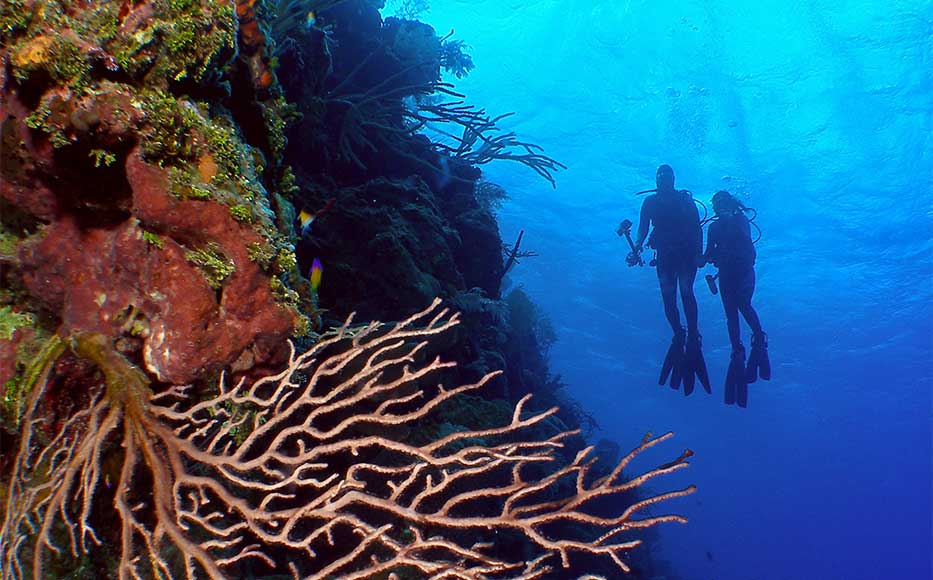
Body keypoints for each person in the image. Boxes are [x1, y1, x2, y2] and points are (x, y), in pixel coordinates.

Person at [625, 164, 710, 395]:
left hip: (686, 255)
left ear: (673, 179)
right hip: (665, 255)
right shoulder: (650, 203)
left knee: (685, 291)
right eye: (661, 176)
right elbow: (642, 229)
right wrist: (637, 248)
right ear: (656, 179)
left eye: (668, 176)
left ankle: (692, 333)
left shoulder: (685, 200)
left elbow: (697, 229)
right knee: (668, 298)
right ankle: (679, 333)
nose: (664, 180)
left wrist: (699, 254)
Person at [703, 190, 770, 407]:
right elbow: (707, 254)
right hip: (725, 274)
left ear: (730, 203)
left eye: (722, 203)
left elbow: (744, 238)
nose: (718, 207)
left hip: (743, 271)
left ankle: (759, 339)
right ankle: (737, 351)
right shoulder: (713, 227)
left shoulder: (741, 219)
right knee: (730, 315)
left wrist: (730, 220)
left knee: (743, 303)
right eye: (716, 204)